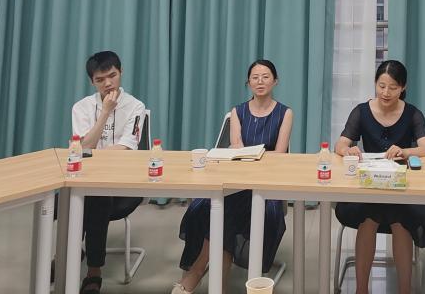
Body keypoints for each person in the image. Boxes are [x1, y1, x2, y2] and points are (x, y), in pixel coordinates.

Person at [172, 59, 293, 294]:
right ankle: (218, 284)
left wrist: (252, 156)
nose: (260, 81)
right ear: (248, 82)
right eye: (255, 77)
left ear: (275, 81)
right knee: (206, 206)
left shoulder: (285, 113)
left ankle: (198, 272)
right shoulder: (238, 111)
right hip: (238, 181)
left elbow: (279, 155)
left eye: (265, 76)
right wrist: (247, 156)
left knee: (224, 210)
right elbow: (237, 147)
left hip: (266, 186)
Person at [335, 60, 425, 294]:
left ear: (403, 87)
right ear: (375, 84)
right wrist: (349, 150)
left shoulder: (412, 113)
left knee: (401, 219)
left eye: (393, 87)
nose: (386, 93)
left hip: (401, 188)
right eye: (381, 86)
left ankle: (404, 290)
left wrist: (405, 151)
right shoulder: (361, 111)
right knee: (369, 216)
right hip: (369, 186)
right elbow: (340, 144)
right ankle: (361, 289)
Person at [70, 51, 147, 294]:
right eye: (100, 79)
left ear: (121, 72)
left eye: (112, 76)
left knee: (94, 198)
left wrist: (92, 152)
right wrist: (104, 112)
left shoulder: (135, 106)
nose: (108, 83)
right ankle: (71, 254)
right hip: (86, 180)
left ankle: (92, 270)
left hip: (124, 183)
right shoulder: (82, 107)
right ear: (92, 81)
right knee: (67, 197)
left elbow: (126, 148)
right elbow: (83, 147)